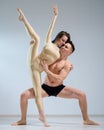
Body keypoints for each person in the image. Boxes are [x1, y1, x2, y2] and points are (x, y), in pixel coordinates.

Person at [12, 41, 99, 126]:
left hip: (59, 89)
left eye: (66, 47)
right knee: (23, 95)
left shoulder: (67, 64)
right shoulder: (53, 57)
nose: (63, 47)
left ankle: (86, 119)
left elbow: (59, 79)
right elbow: (39, 58)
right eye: (63, 45)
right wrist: (32, 47)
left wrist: (47, 71)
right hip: (45, 88)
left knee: (82, 95)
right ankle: (23, 120)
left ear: (70, 52)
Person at [14, 6, 71, 126]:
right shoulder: (49, 41)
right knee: (37, 39)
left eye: (65, 42)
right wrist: (55, 16)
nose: (63, 43)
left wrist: (69, 66)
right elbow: (51, 28)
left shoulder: (60, 53)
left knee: (38, 92)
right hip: (33, 59)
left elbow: (63, 60)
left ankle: (42, 117)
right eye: (62, 40)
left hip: (36, 69)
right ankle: (23, 19)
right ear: (59, 37)